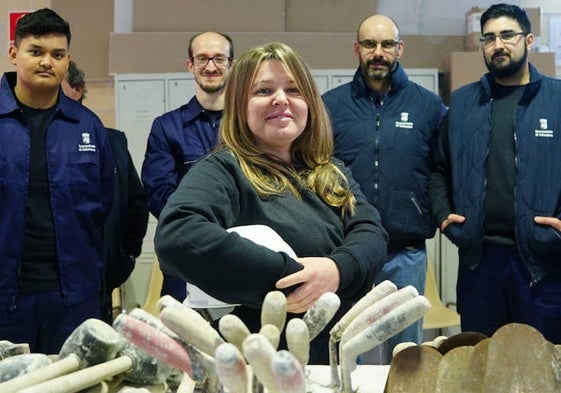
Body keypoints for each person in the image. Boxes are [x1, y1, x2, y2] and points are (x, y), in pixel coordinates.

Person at [154, 42, 388, 364]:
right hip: (258, 365)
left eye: (293, 89)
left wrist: (336, 269)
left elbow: (370, 230)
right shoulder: (224, 169)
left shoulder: (330, 170)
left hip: (331, 357)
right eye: (263, 91)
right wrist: (291, 278)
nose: (281, 99)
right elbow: (178, 236)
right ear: (240, 106)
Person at [430, 3, 561, 344]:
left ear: (528, 39)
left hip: (542, 263)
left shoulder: (557, 99)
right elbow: (438, 168)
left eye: (507, 35)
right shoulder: (462, 102)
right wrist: (444, 215)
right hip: (479, 262)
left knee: (540, 364)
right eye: (489, 38)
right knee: (479, 358)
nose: (497, 45)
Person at [322, 14, 446, 361]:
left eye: (387, 44)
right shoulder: (331, 106)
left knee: (405, 354)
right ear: (356, 48)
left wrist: (441, 215)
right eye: (370, 44)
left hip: (406, 252)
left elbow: (441, 169)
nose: (378, 52)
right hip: (350, 250)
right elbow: (317, 170)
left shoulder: (428, 106)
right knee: (349, 348)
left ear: (399, 49)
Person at [0, 9, 114, 353]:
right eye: (36, 51)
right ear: (14, 53)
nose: (47, 61)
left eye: (58, 54)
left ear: (67, 60)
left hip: (74, 300)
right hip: (6, 300)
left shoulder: (87, 126)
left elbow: (108, 210)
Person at [142, 31, 234, 302]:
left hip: (242, 258)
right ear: (190, 65)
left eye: (219, 58)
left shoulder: (251, 126)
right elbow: (158, 194)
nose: (210, 66)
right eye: (202, 58)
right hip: (185, 262)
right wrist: (206, 227)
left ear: (232, 64)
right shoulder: (166, 128)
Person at [61, 60, 149, 324]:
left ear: (77, 90)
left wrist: (125, 255)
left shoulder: (112, 142)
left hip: (99, 279)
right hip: (45, 282)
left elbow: (136, 202)